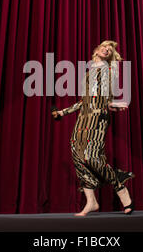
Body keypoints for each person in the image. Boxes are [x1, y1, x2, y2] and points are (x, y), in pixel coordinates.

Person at [51, 40, 135, 216]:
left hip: (98, 118)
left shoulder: (109, 71)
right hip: (83, 118)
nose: (107, 50)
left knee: (92, 157)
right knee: (77, 155)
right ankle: (91, 202)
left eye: (110, 50)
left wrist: (112, 103)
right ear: (96, 50)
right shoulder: (89, 73)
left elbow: (105, 95)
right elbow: (84, 101)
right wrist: (62, 112)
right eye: (104, 47)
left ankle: (121, 188)